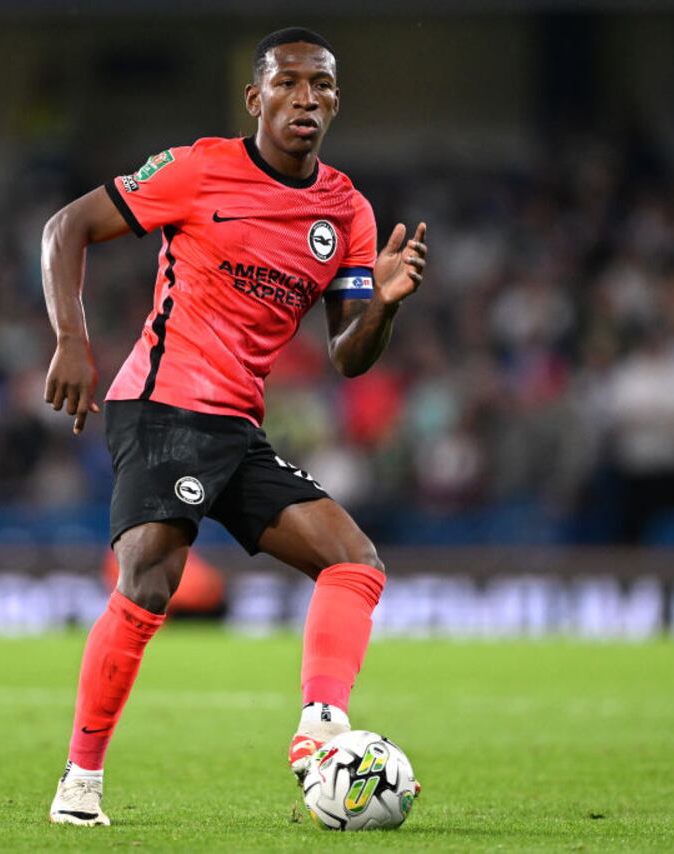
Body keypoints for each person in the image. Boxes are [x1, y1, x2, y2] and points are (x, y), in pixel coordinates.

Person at [39, 27, 428, 826]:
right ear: (256, 99)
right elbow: (65, 228)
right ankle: (80, 783)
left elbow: (350, 357)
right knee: (151, 579)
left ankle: (321, 731)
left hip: (236, 429)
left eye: (320, 86)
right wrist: (72, 339)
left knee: (355, 562)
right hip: (160, 403)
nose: (305, 100)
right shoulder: (197, 168)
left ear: (335, 103)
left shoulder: (346, 210)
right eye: (288, 84)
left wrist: (382, 306)